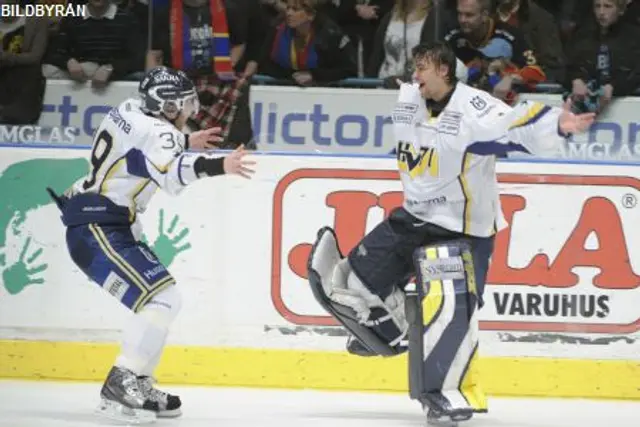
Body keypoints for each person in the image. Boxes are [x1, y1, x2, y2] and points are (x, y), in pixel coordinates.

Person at [307, 41, 594, 426]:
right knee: (349, 281)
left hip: (462, 229)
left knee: (448, 311)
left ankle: (444, 395)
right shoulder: (410, 98)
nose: (415, 75)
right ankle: (393, 334)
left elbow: (514, 127)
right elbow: (413, 111)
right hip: (412, 218)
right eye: (414, 68)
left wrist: (558, 125)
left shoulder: (475, 111)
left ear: (443, 70)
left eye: (422, 67)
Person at [46, 66, 256, 424]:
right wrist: (224, 164)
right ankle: (122, 380)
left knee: (165, 298)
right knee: (160, 298)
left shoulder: (128, 109)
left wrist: (185, 144)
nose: (190, 110)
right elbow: (173, 176)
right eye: (184, 104)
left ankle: (139, 382)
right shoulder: (161, 131)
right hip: (97, 226)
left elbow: (135, 157)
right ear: (167, 107)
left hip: (99, 222)